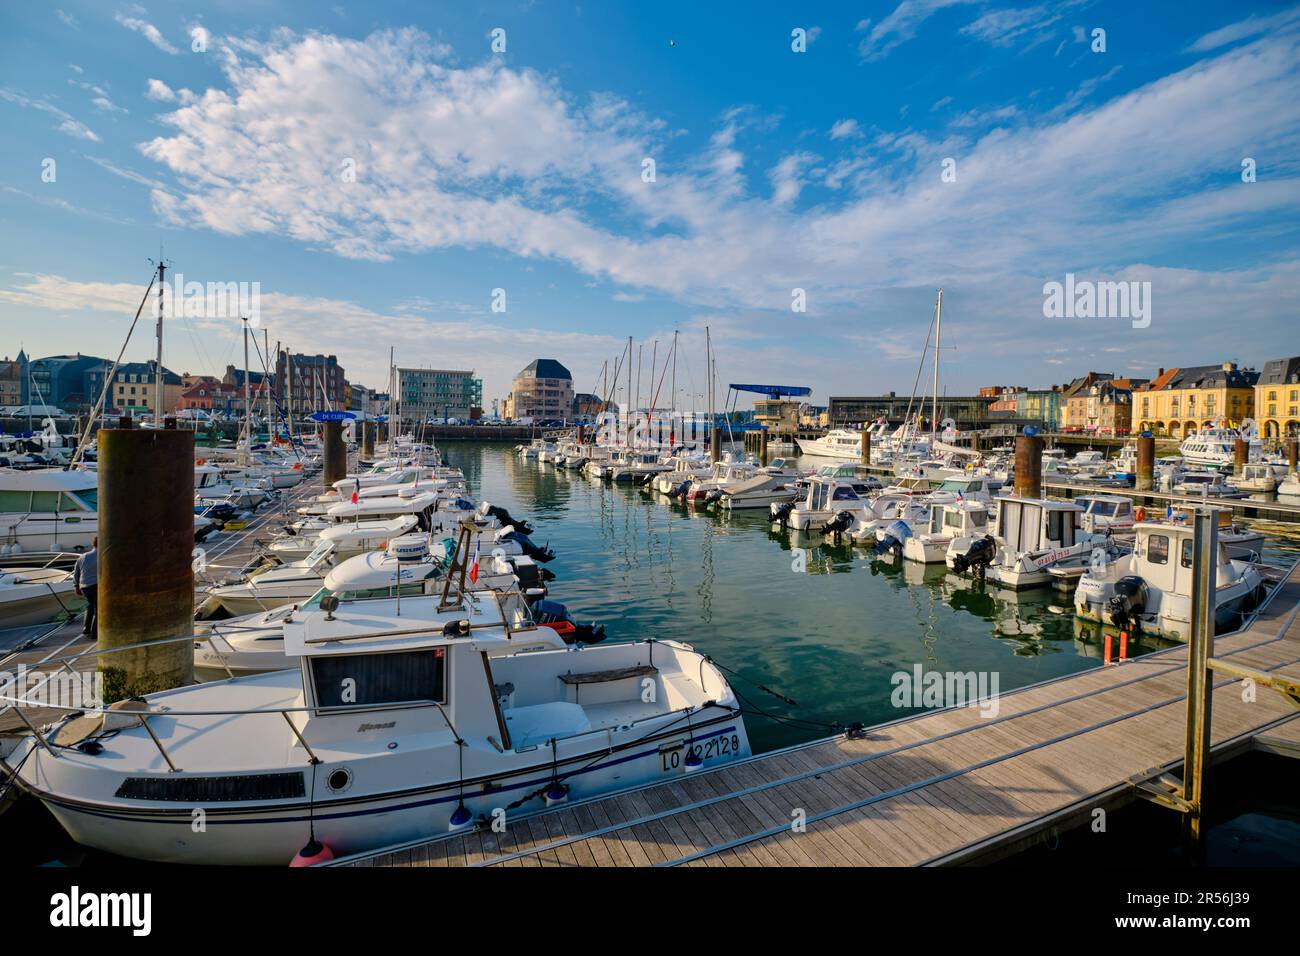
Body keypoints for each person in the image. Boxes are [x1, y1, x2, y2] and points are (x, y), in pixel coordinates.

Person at [74, 537, 99, 637]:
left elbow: (76, 572)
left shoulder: (83, 556)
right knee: (98, 608)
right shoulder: (102, 556)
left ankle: (86, 628)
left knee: (90, 605)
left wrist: (76, 586)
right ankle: (95, 632)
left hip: (84, 586)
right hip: (95, 585)